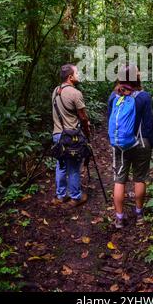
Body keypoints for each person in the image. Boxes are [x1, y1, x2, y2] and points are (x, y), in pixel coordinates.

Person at [107, 64, 153, 228]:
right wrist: (150, 144)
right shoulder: (144, 97)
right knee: (140, 178)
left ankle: (119, 218)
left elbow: (111, 121)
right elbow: (148, 125)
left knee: (119, 180)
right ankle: (139, 215)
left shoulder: (114, 96)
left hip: (120, 145)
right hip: (141, 142)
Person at [51, 63, 91, 207]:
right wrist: (87, 132)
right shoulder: (75, 93)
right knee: (74, 167)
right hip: (71, 137)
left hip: (58, 135)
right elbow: (83, 117)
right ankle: (75, 197)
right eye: (77, 73)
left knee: (61, 165)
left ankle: (61, 196)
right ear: (70, 77)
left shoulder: (55, 91)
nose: (78, 75)